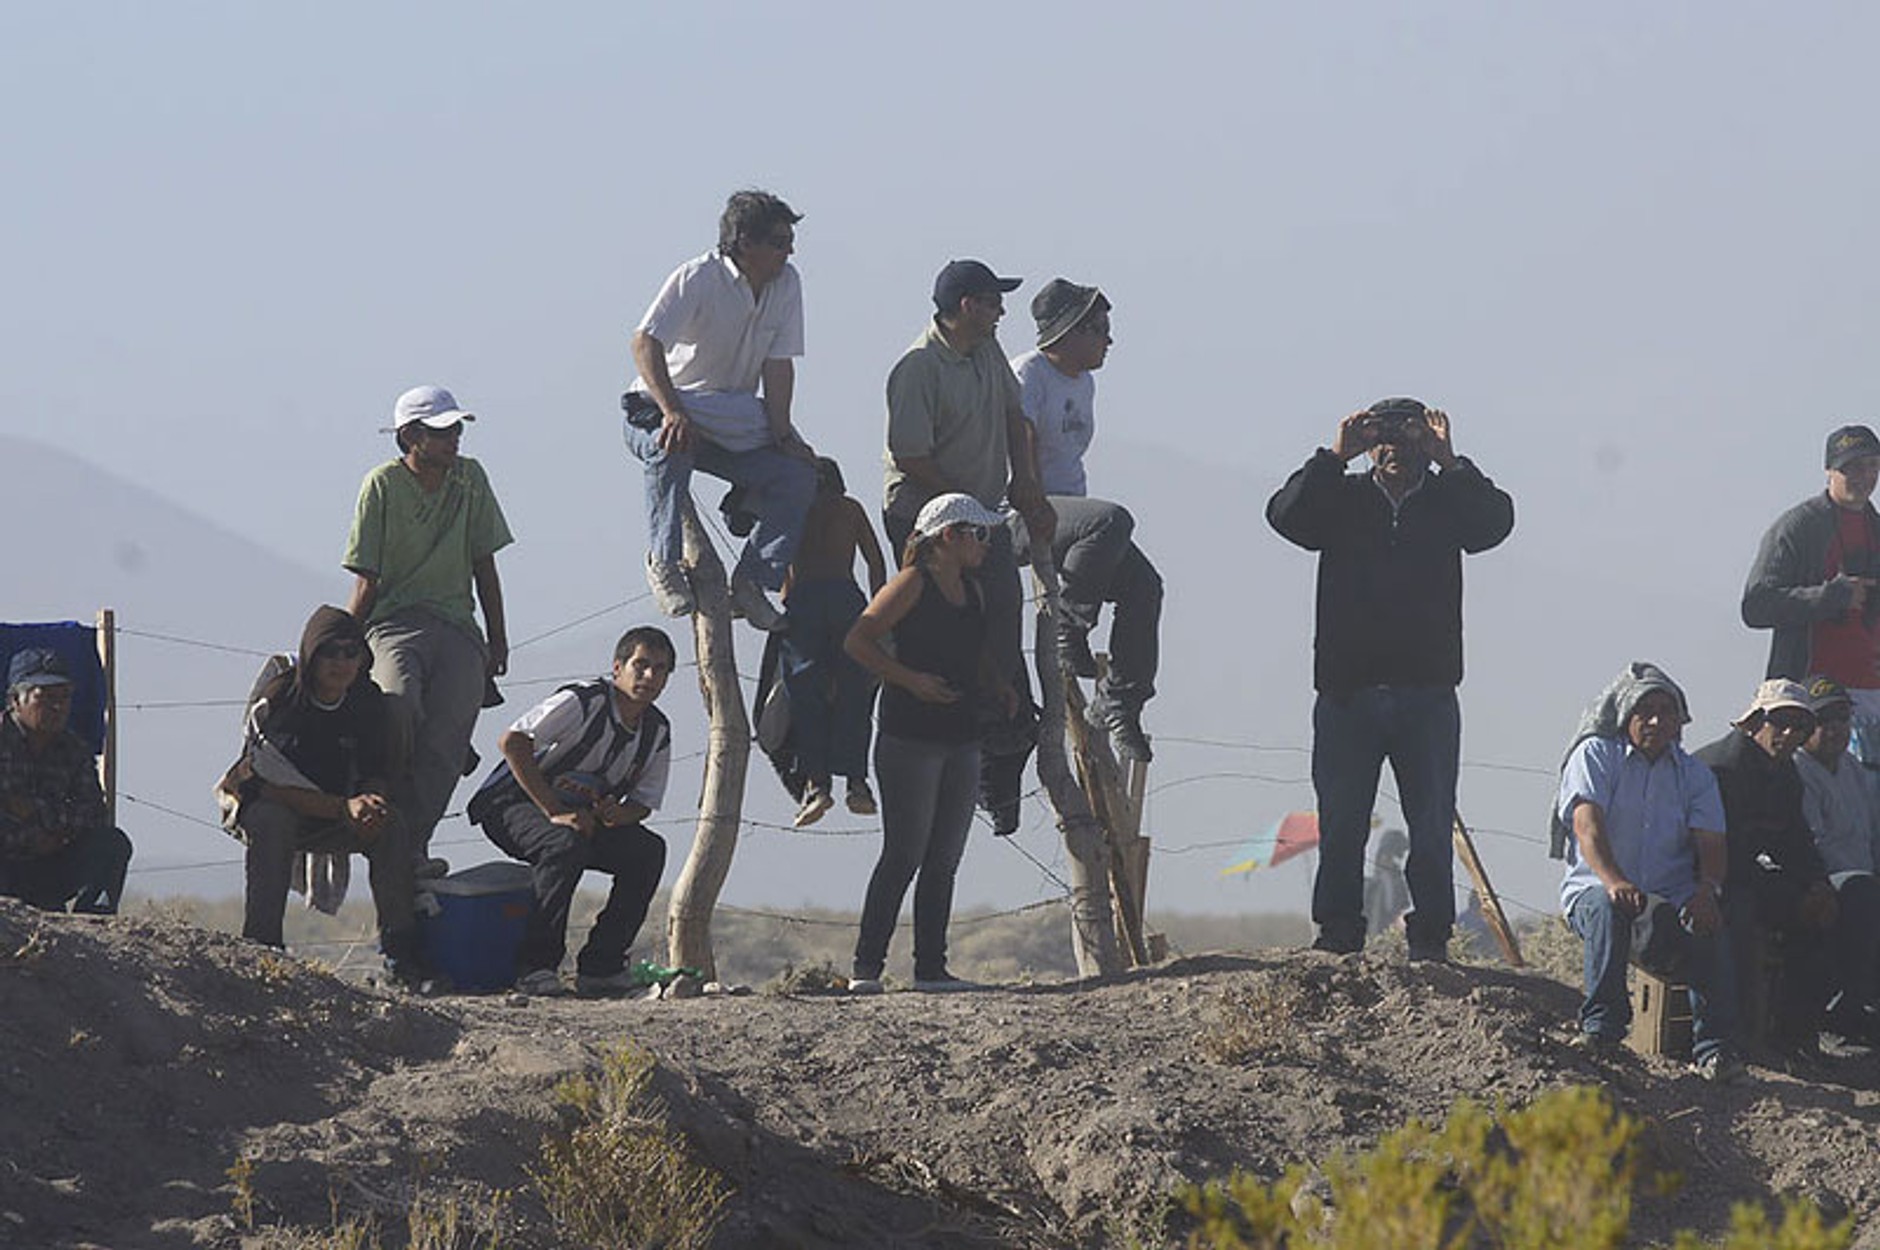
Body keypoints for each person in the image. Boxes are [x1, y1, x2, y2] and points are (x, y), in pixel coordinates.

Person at [1266, 398, 1513, 960]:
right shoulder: (1342, 499)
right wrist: (1334, 456)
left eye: (1408, 436)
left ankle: (1430, 937)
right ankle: (1338, 934)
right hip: (1348, 691)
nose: (1395, 447)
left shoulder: (1448, 503)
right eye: (1384, 436)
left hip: (1427, 691)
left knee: (1430, 826)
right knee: (1343, 821)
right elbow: (1286, 517)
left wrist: (1451, 462)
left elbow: (1495, 523)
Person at [884, 260, 1056, 834]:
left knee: (1001, 607)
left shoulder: (986, 353)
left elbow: (1015, 415)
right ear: (965, 306)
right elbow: (909, 457)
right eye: (991, 302)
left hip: (980, 511)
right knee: (942, 625)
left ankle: (994, 736)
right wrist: (962, 508)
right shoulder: (918, 368)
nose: (1000, 312)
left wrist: (1025, 480)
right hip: (924, 510)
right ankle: (965, 747)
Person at [623, 189, 817, 632]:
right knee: (670, 447)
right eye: (779, 241)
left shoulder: (787, 283)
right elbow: (644, 343)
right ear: (746, 242)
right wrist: (672, 410)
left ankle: (751, 583)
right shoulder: (698, 278)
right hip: (661, 408)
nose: (789, 250)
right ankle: (664, 562)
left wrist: (784, 435)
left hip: (732, 417)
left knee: (798, 475)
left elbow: (779, 363)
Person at [843, 493, 1012, 993]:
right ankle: (866, 968)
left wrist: (998, 684)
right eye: (977, 534)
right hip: (908, 736)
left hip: (961, 735)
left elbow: (974, 648)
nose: (985, 544)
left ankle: (930, 968)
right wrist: (909, 680)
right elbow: (858, 639)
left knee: (945, 856)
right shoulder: (912, 584)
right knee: (904, 852)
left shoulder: (973, 591)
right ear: (948, 537)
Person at [344, 384, 513, 874]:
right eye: (443, 431)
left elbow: (485, 563)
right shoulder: (381, 486)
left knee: (448, 739)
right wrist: (345, 641)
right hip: (394, 624)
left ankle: (411, 845)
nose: (454, 438)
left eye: (456, 429)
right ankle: (379, 819)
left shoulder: (471, 478)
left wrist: (497, 639)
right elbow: (366, 580)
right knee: (398, 709)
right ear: (411, 436)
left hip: (458, 624)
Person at [220, 606, 433, 987]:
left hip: (339, 812)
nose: (340, 662)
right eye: (329, 652)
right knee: (271, 821)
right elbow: (267, 782)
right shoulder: (284, 700)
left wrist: (371, 801)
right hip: (276, 806)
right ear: (311, 655)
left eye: (350, 652)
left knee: (392, 826)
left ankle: (402, 957)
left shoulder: (367, 702)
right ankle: (262, 951)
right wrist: (342, 807)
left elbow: (376, 768)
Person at [1555, 663, 1740, 1081]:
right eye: (1646, 711)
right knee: (1607, 906)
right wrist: (1614, 879)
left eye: (1666, 711)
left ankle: (1716, 1051)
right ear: (1626, 716)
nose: (1656, 720)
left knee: (1709, 923)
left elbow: (1711, 841)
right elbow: (1587, 825)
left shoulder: (1694, 774)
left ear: (1680, 720)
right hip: (1596, 885)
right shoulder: (1596, 755)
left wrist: (1708, 889)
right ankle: (1601, 1030)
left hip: (1668, 895)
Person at [468, 627, 676, 997]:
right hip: (513, 804)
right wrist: (552, 810)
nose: (648, 677)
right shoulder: (584, 702)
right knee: (564, 844)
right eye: (640, 665)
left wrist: (617, 815)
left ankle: (603, 967)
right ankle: (536, 967)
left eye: (659, 670)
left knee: (647, 852)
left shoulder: (656, 731)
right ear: (618, 667)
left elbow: (643, 803)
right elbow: (513, 742)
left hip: (584, 819)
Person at [1009, 279, 1163, 763]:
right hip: (1021, 513)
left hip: (1069, 516)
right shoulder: (1028, 375)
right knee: (1112, 520)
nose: (1108, 340)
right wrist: (1035, 509)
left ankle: (1119, 702)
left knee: (1146, 586)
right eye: (1099, 329)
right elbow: (1023, 450)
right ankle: (1068, 633)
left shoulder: (1084, 381)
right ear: (1069, 331)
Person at [1695, 679, 1839, 1057]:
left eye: (1800, 725)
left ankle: (1796, 1037)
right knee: (1740, 917)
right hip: (1702, 879)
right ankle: (1737, 1042)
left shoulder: (1785, 774)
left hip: (1744, 876)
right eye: (1781, 722)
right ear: (1756, 721)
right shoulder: (1720, 769)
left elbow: (1795, 841)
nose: (1790, 733)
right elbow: (1717, 853)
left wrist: (1817, 885)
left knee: (1820, 917)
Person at [1742, 425, 1880, 755]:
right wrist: (1831, 597)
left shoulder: (1877, 529)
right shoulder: (1800, 527)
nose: (1864, 476)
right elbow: (1756, 605)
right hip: (1813, 701)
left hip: (1873, 696)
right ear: (1829, 471)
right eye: (1851, 467)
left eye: (1872, 465)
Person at [780, 457, 887, 827]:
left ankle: (816, 783)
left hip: (805, 602)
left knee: (805, 694)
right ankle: (857, 783)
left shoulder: (795, 508)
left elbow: (784, 572)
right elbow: (875, 561)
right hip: (846, 600)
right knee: (854, 692)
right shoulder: (850, 508)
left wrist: (786, 602)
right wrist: (880, 613)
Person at [0, 649, 131, 915]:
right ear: (15, 699)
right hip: (6, 863)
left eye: (64, 697)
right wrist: (32, 834)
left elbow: (93, 814)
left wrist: (37, 813)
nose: (58, 707)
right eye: (45, 697)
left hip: (49, 861)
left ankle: (93, 930)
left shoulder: (74, 751)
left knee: (112, 844)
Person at [1792, 676, 1880, 1042]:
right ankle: (1844, 1013)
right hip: (1823, 879)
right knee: (1860, 893)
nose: (1835, 729)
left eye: (1841, 718)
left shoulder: (1855, 770)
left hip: (1862, 877)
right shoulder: (1796, 770)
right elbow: (1811, 845)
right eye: (1824, 720)